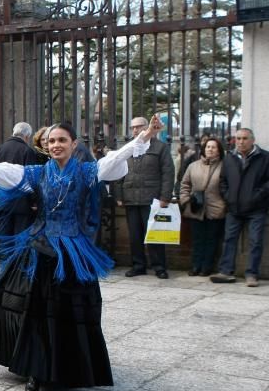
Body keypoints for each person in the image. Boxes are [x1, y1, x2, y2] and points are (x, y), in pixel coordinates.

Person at [0, 116, 164, 391]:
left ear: (74, 144)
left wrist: (146, 135)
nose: (56, 145)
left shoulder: (87, 172)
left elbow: (115, 159)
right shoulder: (38, 174)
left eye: (62, 140)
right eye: (51, 141)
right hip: (38, 249)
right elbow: (2, 170)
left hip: (73, 253)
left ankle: (64, 366)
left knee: (66, 314)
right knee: (34, 312)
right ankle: (35, 368)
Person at [112, 116, 174, 279]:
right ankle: (138, 265)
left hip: (152, 199)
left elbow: (168, 173)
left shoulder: (160, 147)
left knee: (155, 235)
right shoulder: (129, 148)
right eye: (133, 127)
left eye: (139, 127)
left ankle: (159, 266)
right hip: (131, 198)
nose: (135, 130)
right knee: (135, 235)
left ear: (148, 127)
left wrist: (165, 197)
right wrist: (119, 195)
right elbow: (119, 170)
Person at [210, 128, 269, 286]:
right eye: (238, 138)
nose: (241, 142)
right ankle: (226, 271)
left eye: (244, 138)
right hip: (234, 208)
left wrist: (258, 195)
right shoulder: (230, 158)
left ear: (252, 140)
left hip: (257, 208)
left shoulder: (264, 157)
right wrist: (228, 197)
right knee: (229, 240)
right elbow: (223, 180)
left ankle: (252, 274)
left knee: (255, 241)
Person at [180, 137, 227, 277]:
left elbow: (228, 186)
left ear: (219, 150)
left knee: (212, 239)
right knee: (197, 239)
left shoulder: (224, 166)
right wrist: (185, 200)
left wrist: (224, 204)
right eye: (208, 147)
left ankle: (207, 267)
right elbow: (184, 184)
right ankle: (196, 265)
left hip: (215, 208)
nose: (210, 149)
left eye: (213, 147)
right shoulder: (193, 166)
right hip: (196, 208)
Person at [0, 122, 39, 237]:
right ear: (27, 137)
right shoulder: (27, 151)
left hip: (2, 200)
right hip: (21, 203)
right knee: (20, 238)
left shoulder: (0, 149)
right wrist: (34, 200)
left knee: (4, 237)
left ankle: (4, 256)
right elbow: (30, 179)